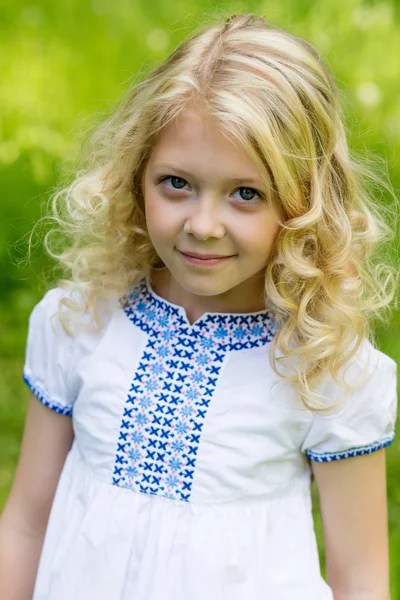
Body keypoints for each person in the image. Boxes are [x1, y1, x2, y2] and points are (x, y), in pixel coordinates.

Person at [0, 11, 398, 600]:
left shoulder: (324, 367)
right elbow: (26, 525)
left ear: (304, 204)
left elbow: (359, 576)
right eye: (177, 184)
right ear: (137, 177)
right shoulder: (81, 322)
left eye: (246, 194)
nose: (203, 225)